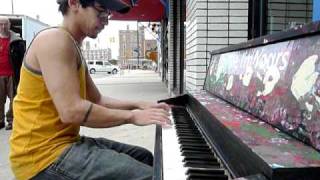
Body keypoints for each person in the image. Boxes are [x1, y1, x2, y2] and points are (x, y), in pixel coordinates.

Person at [9, 0, 170, 179]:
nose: (106, 20)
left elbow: (97, 100)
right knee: (150, 176)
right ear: (74, 3)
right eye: (101, 10)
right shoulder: (54, 40)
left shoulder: (72, 44)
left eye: (108, 13)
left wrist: (138, 105)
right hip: (42, 156)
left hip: (65, 143)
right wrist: (132, 116)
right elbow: (72, 111)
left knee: (145, 157)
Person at [0, 16, 25, 130]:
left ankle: (11, 120)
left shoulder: (16, 41)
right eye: (1, 24)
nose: (3, 26)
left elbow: (22, 59)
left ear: (9, 25)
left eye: (5, 24)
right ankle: (0, 121)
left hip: (12, 74)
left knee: (13, 99)